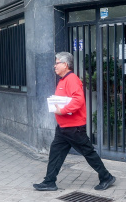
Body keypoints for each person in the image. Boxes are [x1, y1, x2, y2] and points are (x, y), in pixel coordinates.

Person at [33, 52, 116, 191]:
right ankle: (49, 182)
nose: (54, 66)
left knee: (88, 153)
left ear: (65, 64)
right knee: (55, 154)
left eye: (57, 62)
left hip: (74, 128)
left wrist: (63, 110)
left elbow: (78, 101)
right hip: (63, 128)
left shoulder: (72, 79)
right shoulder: (63, 80)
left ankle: (106, 177)